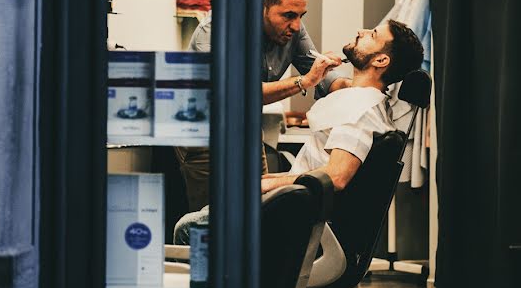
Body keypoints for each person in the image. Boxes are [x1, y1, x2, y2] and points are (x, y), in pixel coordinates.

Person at [173, 18, 425, 244]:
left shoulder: (360, 111)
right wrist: (266, 182)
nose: (361, 31)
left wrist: (265, 185)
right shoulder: (365, 103)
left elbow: (336, 176)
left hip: (298, 217)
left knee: (187, 228)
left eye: (372, 34)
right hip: (297, 208)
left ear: (381, 60)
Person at [175, 0, 348, 210]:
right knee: (212, 218)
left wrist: (356, 88)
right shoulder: (216, 30)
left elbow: (324, 77)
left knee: (257, 210)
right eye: (288, 15)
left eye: (301, 15)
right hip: (204, 134)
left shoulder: (294, 30)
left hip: (246, 130)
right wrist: (304, 81)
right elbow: (236, 94)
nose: (296, 25)